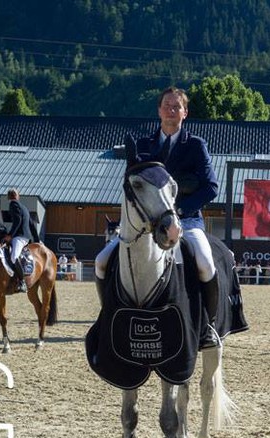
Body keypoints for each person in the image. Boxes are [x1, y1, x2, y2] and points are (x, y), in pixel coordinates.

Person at [95, 86, 220, 345]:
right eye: (167, 106)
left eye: (177, 107)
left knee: (206, 263)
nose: (171, 111)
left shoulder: (196, 146)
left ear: (185, 112)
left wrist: (179, 211)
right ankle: (108, 317)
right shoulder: (143, 146)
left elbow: (211, 187)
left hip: (185, 219)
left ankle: (207, 325)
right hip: (146, 223)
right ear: (159, 110)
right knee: (101, 261)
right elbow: (130, 185)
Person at [4, 188, 34, 293]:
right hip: (26, 236)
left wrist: (10, 235)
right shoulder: (24, 207)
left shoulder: (13, 205)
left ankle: (22, 282)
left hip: (19, 237)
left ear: (9, 197)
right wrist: (37, 240)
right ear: (18, 196)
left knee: (13, 257)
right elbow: (32, 224)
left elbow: (17, 220)